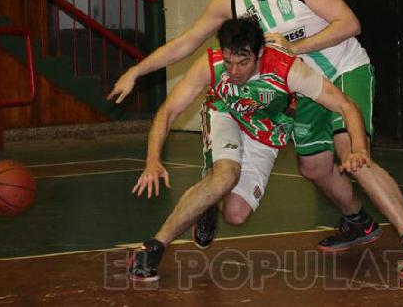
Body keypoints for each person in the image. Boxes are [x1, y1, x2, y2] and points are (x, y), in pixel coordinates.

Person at [110, 0, 403, 279]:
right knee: (313, 167)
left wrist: (295, 47)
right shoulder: (230, 0)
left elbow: (350, 24)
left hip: (343, 69)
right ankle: (357, 221)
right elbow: (186, 43)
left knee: (351, 153)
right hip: (300, 85)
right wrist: (137, 71)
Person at [127, 18, 373, 281]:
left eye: (243, 63)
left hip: (264, 132)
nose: (233, 71)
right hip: (225, 114)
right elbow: (169, 111)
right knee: (225, 175)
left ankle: (209, 204)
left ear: (259, 54)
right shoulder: (212, 64)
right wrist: (153, 159)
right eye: (229, 61)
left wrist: (358, 147)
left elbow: (346, 105)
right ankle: (153, 247)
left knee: (236, 213)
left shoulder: (287, 70)